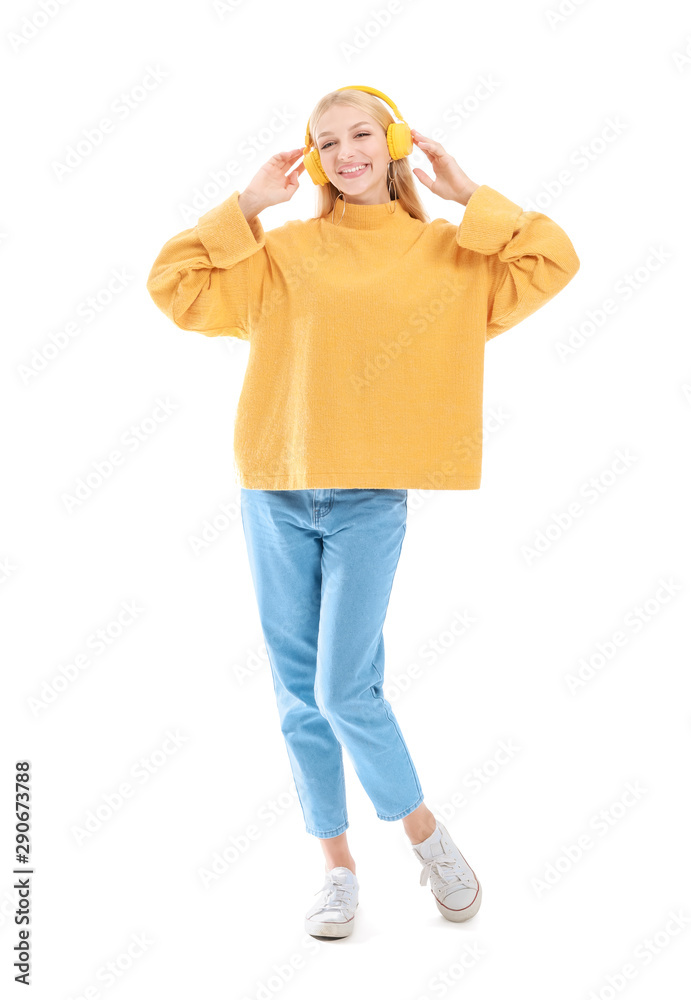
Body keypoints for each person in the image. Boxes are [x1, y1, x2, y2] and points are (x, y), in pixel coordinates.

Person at [146, 85, 580, 939]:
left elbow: (552, 262)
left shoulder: (446, 256)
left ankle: (424, 836)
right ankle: (336, 868)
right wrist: (245, 205)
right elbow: (173, 283)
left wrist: (466, 192)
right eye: (325, 141)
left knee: (344, 688)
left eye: (359, 134)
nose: (345, 152)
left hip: (368, 499)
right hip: (274, 487)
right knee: (299, 696)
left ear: (391, 141)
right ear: (309, 158)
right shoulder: (284, 253)